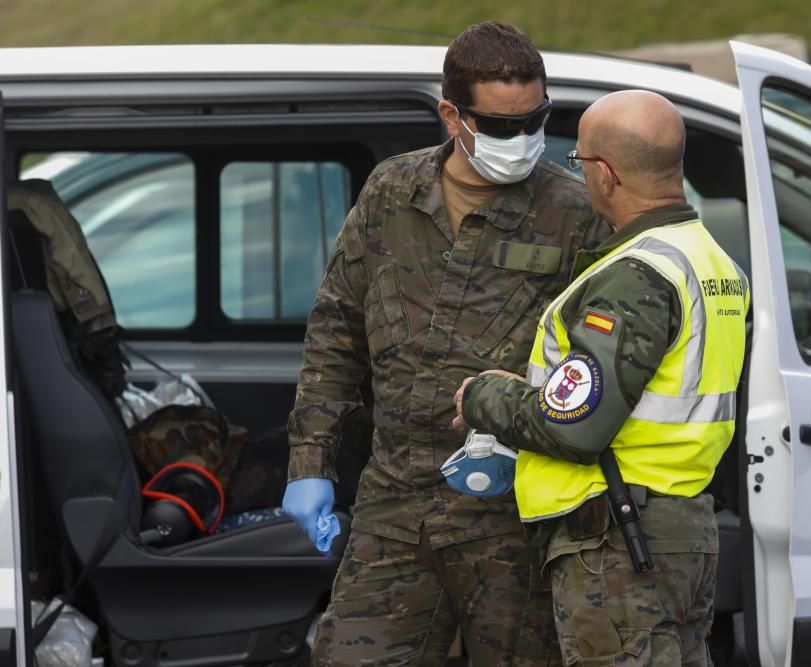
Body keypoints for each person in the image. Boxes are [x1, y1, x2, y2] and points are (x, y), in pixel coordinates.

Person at [282, 21, 609, 666]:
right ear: (451, 116)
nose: (521, 140)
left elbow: (598, 368)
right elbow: (336, 329)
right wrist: (310, 464)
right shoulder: (392, 192)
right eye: (500, 125)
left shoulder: (575, 213)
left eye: (535, 119)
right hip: (396, 496)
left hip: (513, 508)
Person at [454, 90, 749, 665]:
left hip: (619, 538)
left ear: (607, 175)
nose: (581, 176)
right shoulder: (712, 262)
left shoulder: (636, 275)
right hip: (679, 525)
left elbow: (576, 426)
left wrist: (485, 396)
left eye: (579, 163)